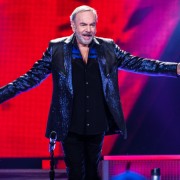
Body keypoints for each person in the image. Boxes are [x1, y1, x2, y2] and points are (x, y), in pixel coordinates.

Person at [0, 5, 179, 180]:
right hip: (70, 124)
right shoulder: (57, 49)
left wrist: (175, 68)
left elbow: (139, 64)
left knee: (92, 172)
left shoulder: (108, 48)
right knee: (76, 172)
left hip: (97, 123)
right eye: (83, 25)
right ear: (73, 26)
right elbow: (30, 78)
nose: (88, 29)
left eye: (92, 25)